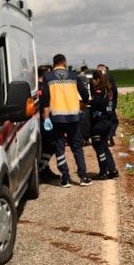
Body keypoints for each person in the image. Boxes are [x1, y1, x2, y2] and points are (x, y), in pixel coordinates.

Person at [40, 54, 92, 187]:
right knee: (77, 147)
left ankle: (66, 178)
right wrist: (83, 104)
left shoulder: (48, 77)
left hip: (57, 117)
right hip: (73, 117)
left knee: (59, 147)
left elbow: (45, 99)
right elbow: (84, 93)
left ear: (54, 63)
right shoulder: (73, 76)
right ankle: (83, 176)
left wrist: (46, 117)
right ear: (64, 63)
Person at [89, 71, 119, 180]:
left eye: (93, 79)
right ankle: (112, 170)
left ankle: (103, 172)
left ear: (97, 80)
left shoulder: (99, 91)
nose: (92, 81)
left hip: (99, 123)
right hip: (107, 122)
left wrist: (89, 103)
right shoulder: (108, 90)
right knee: (104, 146)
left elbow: (95, 103)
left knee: (99, 147)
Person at [37, 64, 59, 182]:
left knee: (50, 145)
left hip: (47, 119)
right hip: (43, 120)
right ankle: (41, 169)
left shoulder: (44, 86)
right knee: (49, 145)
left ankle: (45, 168)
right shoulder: (40, 87)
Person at [97, 64, 119, 146]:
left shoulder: (96, 78)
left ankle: (102, 137)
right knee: (113, 120)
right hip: (109, 102)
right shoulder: (110, 77)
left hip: (99, 103)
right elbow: (114, 91)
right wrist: (114, 103)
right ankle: (109, 135)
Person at [77, 65, 92, 145]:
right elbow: (86, 86)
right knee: (85, 120)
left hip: (78, 99)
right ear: (85, 70)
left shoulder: (78, 76)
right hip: (84, 98)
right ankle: (86, 138)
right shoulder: (84, 76)